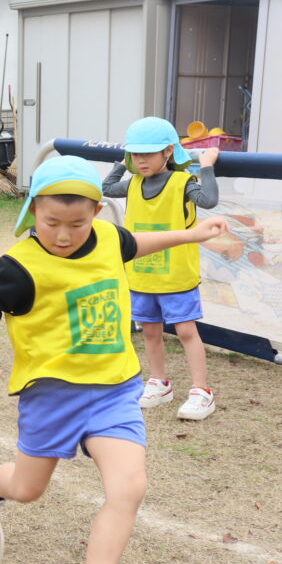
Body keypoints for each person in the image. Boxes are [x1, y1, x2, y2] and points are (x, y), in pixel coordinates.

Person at [0, 156, 225, 564]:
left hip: (114, 391)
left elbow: (135, 243)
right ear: (33, 211)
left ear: (97, 212)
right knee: (28, 490)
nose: (63, 235)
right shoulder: (20, 267)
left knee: (130, 486)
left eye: (77, 224)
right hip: (52, 397)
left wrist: (192, 234)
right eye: (51, 223)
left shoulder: (107, 238)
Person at [102, 116, 221, 421]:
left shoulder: (182, 183)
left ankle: (201, 391)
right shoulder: (134, 184)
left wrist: (206, 166)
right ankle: (159, 383)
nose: (140, 161)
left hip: (176, 275)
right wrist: (121, 163)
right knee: (150, 331)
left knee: (186, 331)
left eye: (147, 154)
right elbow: (107, 187)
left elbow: (209, 200)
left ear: (168, 151)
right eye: (135, 154)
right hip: (142, 274)